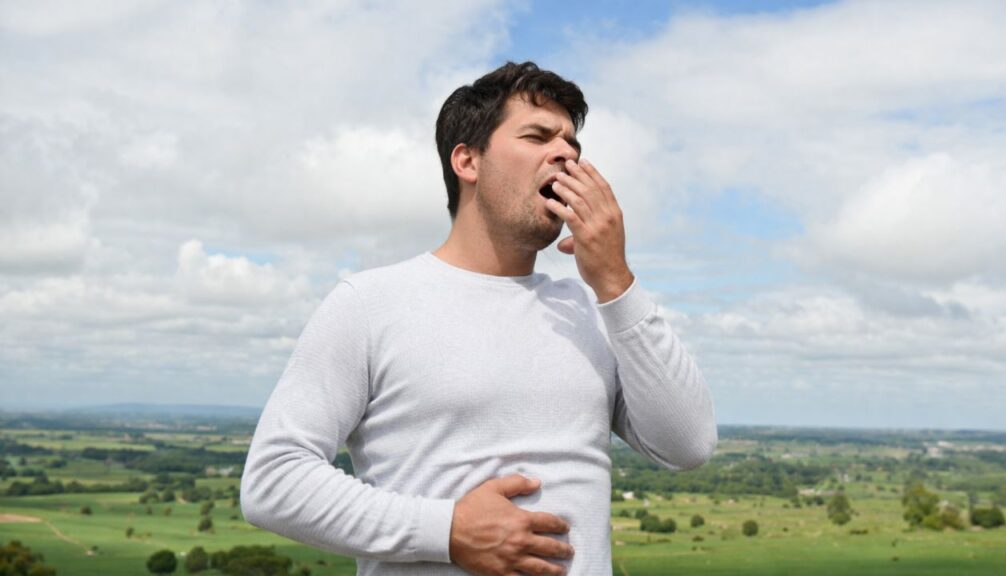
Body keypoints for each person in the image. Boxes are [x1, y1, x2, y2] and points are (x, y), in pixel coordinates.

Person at [240, 61, 716, 576]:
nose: (566, 154)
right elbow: (273, 481)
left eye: (572, 145)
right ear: (467, 161)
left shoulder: (592, 309)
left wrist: (616, 281)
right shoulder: (369, 303)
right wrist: (446, 530)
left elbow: (687, 445)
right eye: (537, 136)